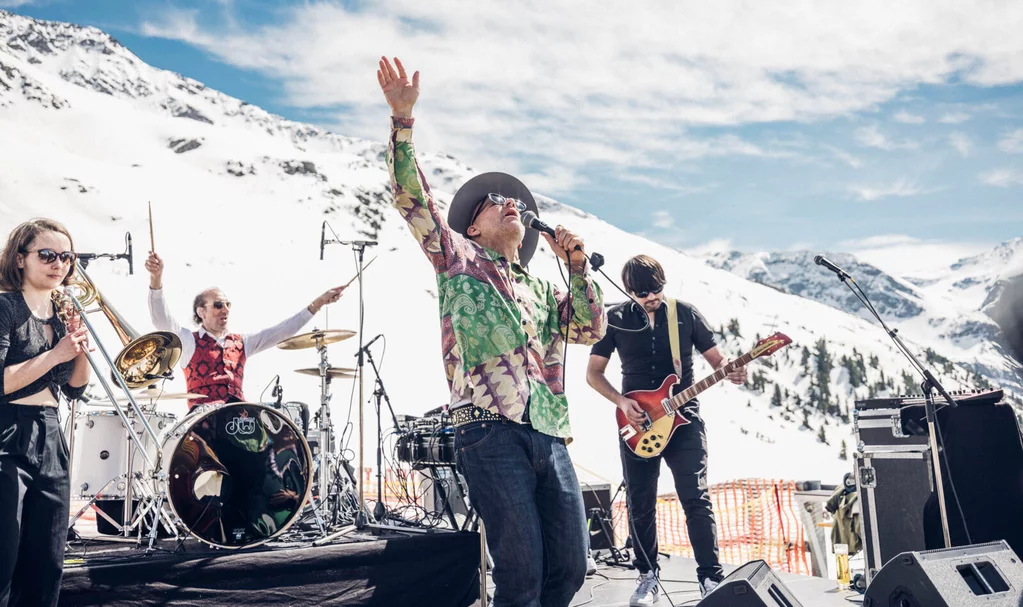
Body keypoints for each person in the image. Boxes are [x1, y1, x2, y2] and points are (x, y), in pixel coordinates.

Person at [377, 56, 606, 607]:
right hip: (489, 432)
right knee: (520, 574)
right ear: (473, 227)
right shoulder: (459, 261)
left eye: (514, 203)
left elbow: (591, 328)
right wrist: (402, 121)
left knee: (571, 568)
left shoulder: (543, 289)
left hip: (549, 433)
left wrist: (575, 265)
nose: (510, 205)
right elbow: (413, 199)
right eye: (492, 203)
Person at [586, 255, 746, 604]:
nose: (651, 297)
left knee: (695, 496)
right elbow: (593, 374)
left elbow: (718, 362)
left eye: (656, 289)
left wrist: (733, 371)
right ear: (629, 291)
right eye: (642, 292)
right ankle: (647, 575)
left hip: (685, 420)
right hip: (637, 423)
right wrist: (622, 402)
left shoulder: (685, 314)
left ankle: (710, 577)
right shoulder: (614, 319)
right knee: (640, 502)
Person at [0, 218, 91, 607]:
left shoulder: (60, 313)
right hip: (7, 433)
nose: (60, 264)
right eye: (48, 255)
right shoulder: (5, 306)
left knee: (47, 564)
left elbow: (75, 387)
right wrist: (56, 353)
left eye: (67, 256)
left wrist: (78, 346)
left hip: (51, 434)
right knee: (4, 558)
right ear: (20, 259)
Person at [145, 251, 343, 409]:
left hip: (238, 419)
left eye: (228, 305)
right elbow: (161, 319)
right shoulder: (189, 341)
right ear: (201, 312)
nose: (225, 310)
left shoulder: (242, 342)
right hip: (202, 424)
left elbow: (282, 331)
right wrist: (157, 278)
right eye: (218, 305)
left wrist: (318, 304)